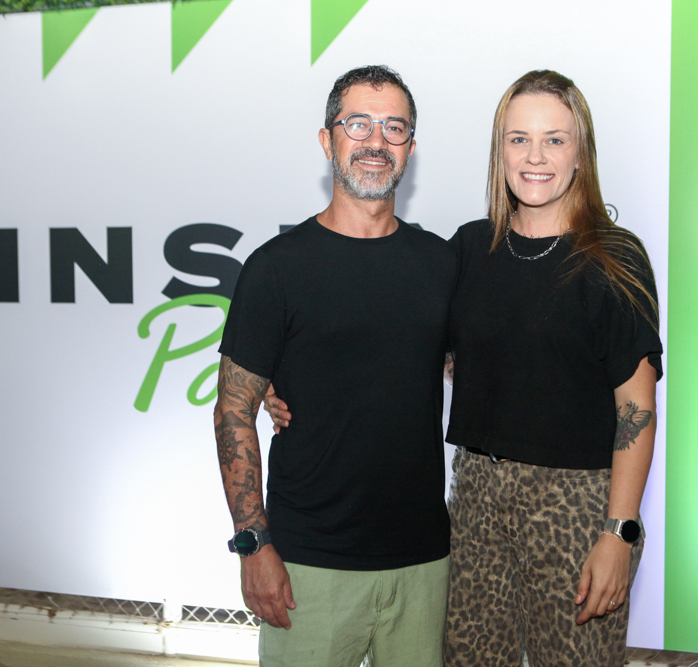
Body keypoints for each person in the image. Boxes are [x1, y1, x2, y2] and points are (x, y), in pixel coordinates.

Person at [214, 65, 454, 667]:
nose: (376, 141)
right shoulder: (275, 268)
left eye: (394, 127)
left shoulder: (442, 264)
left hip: (424, 564)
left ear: (411, 148)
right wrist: (254, 544)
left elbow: (471, 368)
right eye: (358, 124)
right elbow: (233, 409)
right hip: (308, 566)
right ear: (328, 140)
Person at [443, 70, 663, 666]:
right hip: (476, 501)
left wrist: (619, 532)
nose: (535, 157)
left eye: (554, 139)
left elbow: (636, 407)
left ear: (580, 152)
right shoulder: (469, 248)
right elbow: (409, 346)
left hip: (579, 506)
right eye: (519, 139)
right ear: (500, 151)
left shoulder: (615, 258)